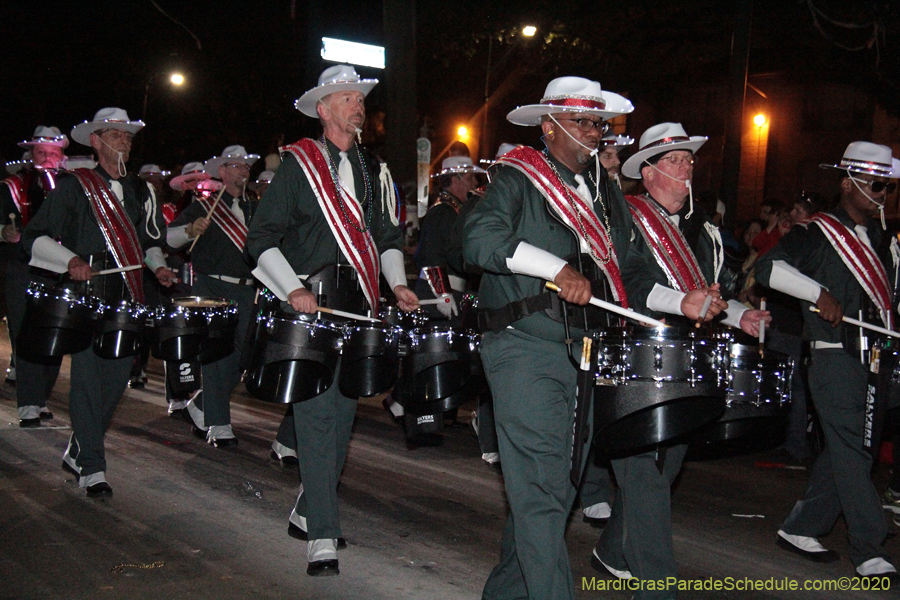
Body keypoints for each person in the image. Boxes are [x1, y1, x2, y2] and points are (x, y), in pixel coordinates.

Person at [464, 75, 636, 600]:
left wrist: (612, 188)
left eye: (599, 124)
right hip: (524, 346)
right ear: (549, 126)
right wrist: (555, 269)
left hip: (581, 351)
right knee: (541, 491)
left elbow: (622, 259)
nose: (594, 134)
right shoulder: (519, 177)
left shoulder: (601, 188)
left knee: (555, 489)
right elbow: (478, 240)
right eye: (582, 123)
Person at [246, 64, 418, 576]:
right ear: (323, 110)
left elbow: (385, 239)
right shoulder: (299, 166)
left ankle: (309, 505)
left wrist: (398, 283)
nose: (357, 105)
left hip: (360, 307)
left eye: (360, 97)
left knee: (342, 420)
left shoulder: (373, 169)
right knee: (318, 421)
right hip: (311, 307)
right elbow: (261, 240)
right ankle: (323, 532)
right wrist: (292, 287)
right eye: (346, 98)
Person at [592, 122, 769, 599]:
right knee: (644, 476)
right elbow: (625, 280)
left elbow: (713, 293)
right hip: (630, 356)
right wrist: (681, 302)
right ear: (647, 172)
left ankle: (611, 551)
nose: (687, 168)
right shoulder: (622, 215)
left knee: (666, 468)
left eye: (689, 159)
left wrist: (740, 314)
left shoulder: (700, 231)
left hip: (686, 361)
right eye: (675, 160)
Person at [755, 141, 899, 581]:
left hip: (877, 358)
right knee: (855, 446)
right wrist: (817, 293)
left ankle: (803, 527)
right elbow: (768, 269)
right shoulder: (816, 233)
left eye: (888, 186)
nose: (883, 194)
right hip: (835, 356)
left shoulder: (884, 239)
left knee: (854, 449)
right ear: (848, 183)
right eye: (876, 184)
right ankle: (868, 546)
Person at [22, 107, 176, 496]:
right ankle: (93, 465)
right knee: (88, 381)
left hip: (128, 295)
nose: (124, 140)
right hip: (86, 296)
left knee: (116, 381)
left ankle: (79, 446)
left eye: (128, 134)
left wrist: (157, 267)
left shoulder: (143, 190)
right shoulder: (75, 186)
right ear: (96, 140)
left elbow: (150, 243)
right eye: (115, 133)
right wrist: (69, 260)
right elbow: (34, 236)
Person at [167, 145, 260, 447]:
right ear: (221, 172)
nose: (242, 172)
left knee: (242, 356)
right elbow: (170, 237)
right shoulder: (205, 206)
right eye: (235, 166)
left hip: (247, 290)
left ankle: (203, 403)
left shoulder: (255, 208)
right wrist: (191, 230)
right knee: (216, 355)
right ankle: (218, 425)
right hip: (212, 287)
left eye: (245, 167)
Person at [1, 126, 69, 426]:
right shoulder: (12, 186)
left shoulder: (70, 186)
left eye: (53, 153)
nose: (47, 158)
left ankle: (41, 395)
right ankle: (28, 401)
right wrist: (3, 232)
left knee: (55, 333)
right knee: (26, 332)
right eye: (41, 153)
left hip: (60, 269)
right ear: (31, 154)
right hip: (21, 266)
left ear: (62, 156)